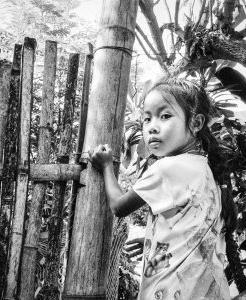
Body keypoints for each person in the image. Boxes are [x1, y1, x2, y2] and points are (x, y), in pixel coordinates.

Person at [89, 77, 235, 300]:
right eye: (146, 119)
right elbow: (192, 230)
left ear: (196, 123)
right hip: (203, 287)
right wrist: (152, 242)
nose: (152, 127)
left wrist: (107, 165)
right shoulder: (206, 170)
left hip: (171, 289)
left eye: (165, 116)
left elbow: (119, 206)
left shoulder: (167, 167)